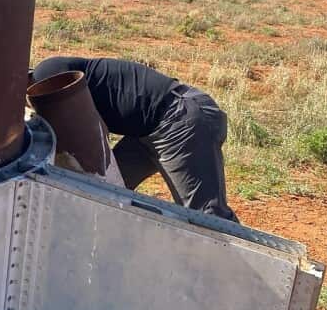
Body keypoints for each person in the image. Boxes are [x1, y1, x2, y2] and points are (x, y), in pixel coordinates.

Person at [31, 56, 239, 222]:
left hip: (178, 118)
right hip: (145, 129)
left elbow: (94, 132)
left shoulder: (48, 76)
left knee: (206, 218)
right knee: (104, 194)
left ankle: (240, 272)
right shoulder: (45, 76)